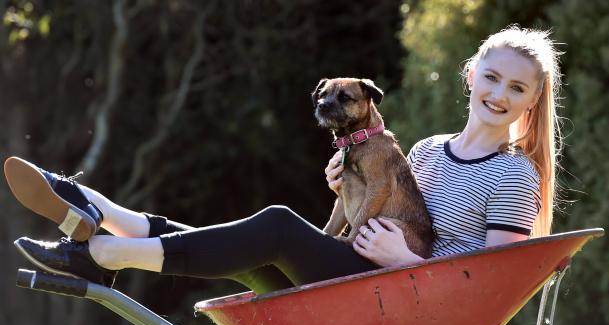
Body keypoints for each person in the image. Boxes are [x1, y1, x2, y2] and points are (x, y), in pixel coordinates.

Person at [7, 26, 561, 294]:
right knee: (248, 247)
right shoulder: (424, 151)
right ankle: (100, 212)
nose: (499, 93)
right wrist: (341, 188)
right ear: (470, 77)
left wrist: (405, 263)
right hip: (366, 275)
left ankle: (103, 252)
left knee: (273, 225)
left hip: (402, 294)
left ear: (532, 100)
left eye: (517, 87)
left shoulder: (515, 174)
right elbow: (383, 202)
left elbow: (492, 285)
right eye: (491, 77)